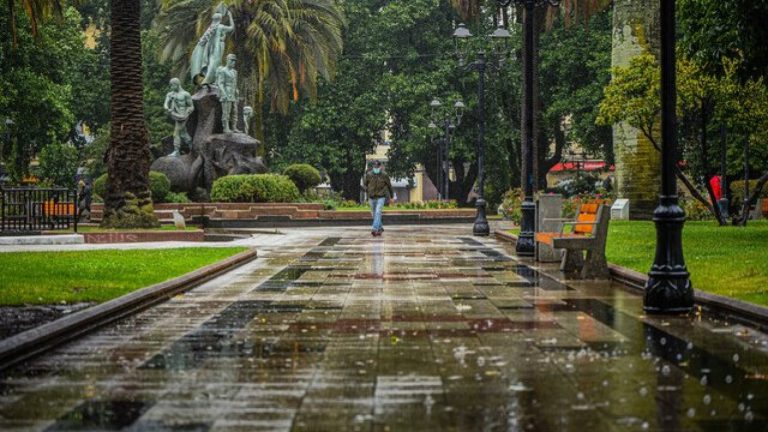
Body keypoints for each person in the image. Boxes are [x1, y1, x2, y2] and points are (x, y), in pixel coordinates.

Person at [190, 5, 235, 86]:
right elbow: (232, 28)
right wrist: (230, 16)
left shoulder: (210, 28)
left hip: (210, 48)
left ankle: (210, 80)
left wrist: (222, 37)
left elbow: (203, 40)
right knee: (215, 63)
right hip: (216, 48)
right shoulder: (220, 27)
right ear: (219, 20)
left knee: (212, 63)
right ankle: (209, 80)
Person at [164, 78, 194, 157]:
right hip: (175, 116)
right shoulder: (170, 94)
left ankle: (176, 151)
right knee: (183, 134)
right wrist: (167, 108)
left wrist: (187, 113)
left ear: (176, 84)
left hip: (183, 116)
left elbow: (191, 106)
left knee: (176, 133)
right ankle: (192, 147)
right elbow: (165, 104)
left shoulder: (185, 94)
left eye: (172, 86)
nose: (171, 88)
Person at [364, 160, 393, 236]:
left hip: (381, 197)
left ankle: (374, 229)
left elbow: (389, 186)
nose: (376, 168)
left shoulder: (384, 175)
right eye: (374, 166)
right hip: (371, 197)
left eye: (377, 166)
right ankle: (380, 228)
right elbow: (365, 184)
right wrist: (368, 191)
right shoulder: (369, 174)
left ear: (380, 167)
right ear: (373, 167)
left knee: (378, 212)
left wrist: (392, 196)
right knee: (374, 214)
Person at [216, 54, 240, 134]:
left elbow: (235, 83)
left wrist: (236, 91)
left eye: (234, 61)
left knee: (235, 111)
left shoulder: (234, 72)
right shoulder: (223, 71)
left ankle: (234, 127)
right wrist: (224, 93)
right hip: (226, 93)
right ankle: (225, 128)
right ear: (227, 60)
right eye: (231, 60)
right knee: (226, 112)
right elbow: (220, 83)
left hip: (233, 93)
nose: (233, 62)